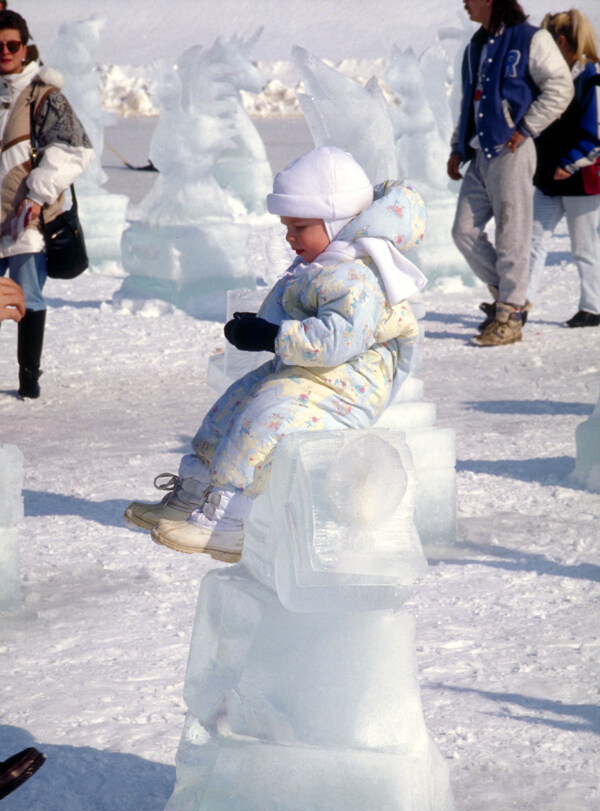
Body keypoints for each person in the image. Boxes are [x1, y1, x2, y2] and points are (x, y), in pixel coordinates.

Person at [125, 146, 427, 563]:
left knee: (266, 417)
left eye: (299, 226)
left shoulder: (355, 274)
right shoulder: (326, 263)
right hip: (312, 373)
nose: (289, 237)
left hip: (345, 388)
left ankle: (226, 522)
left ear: (336, 221)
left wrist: (271, 335)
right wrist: (259, 325)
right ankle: (192, 492)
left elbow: (337, 339)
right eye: (287, 225)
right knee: (233, 404)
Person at [448, 0, 574, 346]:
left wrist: (527, 127)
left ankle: (510, 314)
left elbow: (561, 87)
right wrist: (457, 147)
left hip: (513, 149)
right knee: (463, 231)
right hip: (480, 153)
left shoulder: (531, 39)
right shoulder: (476, 44)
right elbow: (470, 103)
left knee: (511, 233)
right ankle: (510, 296)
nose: (464, 3)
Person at [0, 9, 93, 398]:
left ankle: (29, 378)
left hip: (26, 219)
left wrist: (38, 194)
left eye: (12, 44)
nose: (4, 52)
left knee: (28, 297)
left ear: (25, 47)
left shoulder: (43, 93)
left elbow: (74, 149)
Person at [527, 10, 600, 328]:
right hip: (548, 176)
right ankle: (519, 304)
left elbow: (596, 132)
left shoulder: (591, 78)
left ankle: (594, 306)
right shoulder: (551, 79)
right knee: (532, 240)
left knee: (584, 246)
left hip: (580, 177)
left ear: (559, 42)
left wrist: (570, 163)